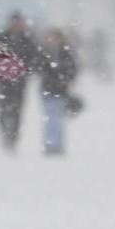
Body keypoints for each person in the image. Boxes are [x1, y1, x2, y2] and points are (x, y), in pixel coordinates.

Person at [0, 12, 42, 151]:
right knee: (2, 110)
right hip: (4, 81)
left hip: (20, 82)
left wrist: (26, 69)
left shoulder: (28, 39)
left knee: (17, 110)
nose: (16, 25)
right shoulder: (2, 37)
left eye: (19, 22)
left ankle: (13, 137)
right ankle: (4, 133)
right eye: (14, 22)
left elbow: (35, 59)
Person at [38, 28, 78, 156]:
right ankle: (50, 144)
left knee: (58, 120)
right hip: (47, 91)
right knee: (50, 119)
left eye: (55, 38)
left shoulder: (66, 53)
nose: (52, 40)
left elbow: (72, 70)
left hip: (61, 92)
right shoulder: (44, 53)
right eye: (50, 38)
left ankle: (58, 145)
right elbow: (39, 68)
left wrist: (65, 79)